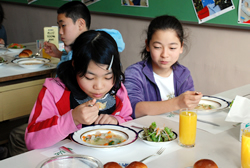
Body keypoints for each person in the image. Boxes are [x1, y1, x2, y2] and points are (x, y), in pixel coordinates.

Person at [25, 30, 133, 150]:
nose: (99, 86)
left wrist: (116, 121)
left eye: (108, 77)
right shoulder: (55, 91)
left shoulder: (117, 90)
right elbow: (32, 140)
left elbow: (128, 120)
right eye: (89, 77)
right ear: (75, 66)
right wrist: (72, 118)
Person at [124, 15, 203, 119]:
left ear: (181, 47)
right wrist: (177, 102)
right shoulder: (134, 72)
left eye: (172, 48)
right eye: (157, 47)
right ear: (147, 45)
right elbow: (132, 109)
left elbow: (188, 110)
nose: (165, 54)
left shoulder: (184, 74)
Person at [43, 1, 125, 67]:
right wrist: (60, 54)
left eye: (63, 25)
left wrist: (69, 56)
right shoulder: (79, 48)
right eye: (59, 26)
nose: (60, 32)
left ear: (81, 24)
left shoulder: (94, 50)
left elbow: (67, 79)